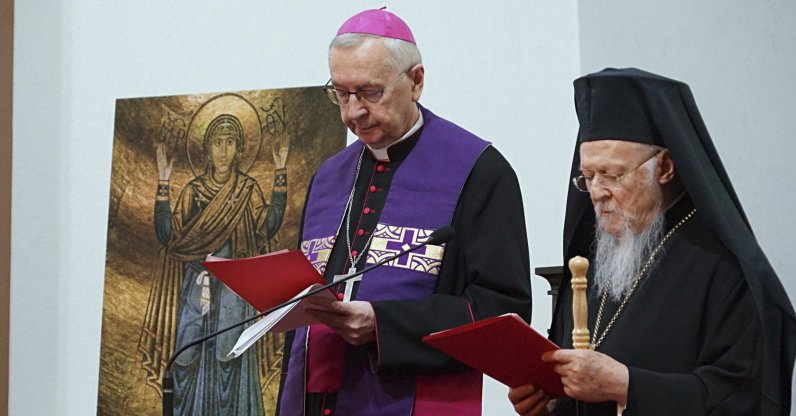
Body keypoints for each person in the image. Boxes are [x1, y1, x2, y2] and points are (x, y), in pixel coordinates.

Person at [277, 8, 532, 416]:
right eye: (341, 93)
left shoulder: (479, 171)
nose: (352, 113)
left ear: (416, 81)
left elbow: (503, 313)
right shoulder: (329, 177)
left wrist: (382, 325)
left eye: (370, 92)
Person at [508, 68, 796, 415]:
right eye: (588, 176)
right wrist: (553, 401)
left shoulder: (724, 268)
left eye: (612, 175)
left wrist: (627, 386)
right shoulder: (594, 261)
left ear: (665, 167)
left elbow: (745, 396)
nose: (597, 192)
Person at [139, 112, 289, 415]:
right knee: (187, 357)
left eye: (230, 142)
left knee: (228, 357)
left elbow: (267, 225)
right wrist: (164, 181)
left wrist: (280, 171)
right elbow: (171, 236)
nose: (223, 151)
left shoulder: (247, 189)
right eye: (217, 143)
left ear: (239, 149)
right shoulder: (194, 191)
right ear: (207, 149)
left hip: (234, 290)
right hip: (198, 287)